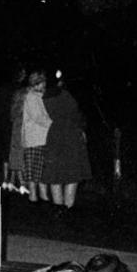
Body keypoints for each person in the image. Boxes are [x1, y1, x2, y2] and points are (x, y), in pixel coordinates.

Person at [41, 70, 91, 211]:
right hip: (71, 138)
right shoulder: (68, 96)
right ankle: (68, 209)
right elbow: (78, 116)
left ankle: (59, 210)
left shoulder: (45, 98)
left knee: (55, 177)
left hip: (54, 138)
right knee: (71, 177)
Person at [16, 70, 50, 204]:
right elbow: (38, 117)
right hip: (34, 139)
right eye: (42, 83)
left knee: (38, 172)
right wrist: (52, 124)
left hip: (39, 138)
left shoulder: (39, 97)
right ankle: (33, 199)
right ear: (37, 84)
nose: (44, 85)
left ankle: (39, 198)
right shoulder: (31, 97)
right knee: (33, 172)